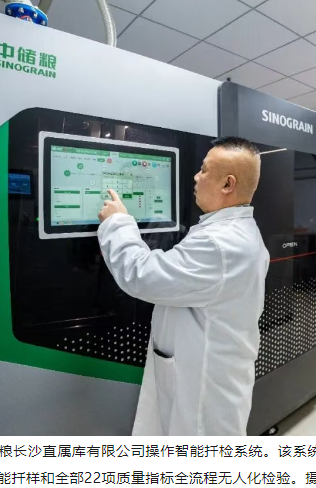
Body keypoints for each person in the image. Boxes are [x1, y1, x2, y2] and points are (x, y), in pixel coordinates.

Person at [97, 136, 269, 435]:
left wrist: (117, 223)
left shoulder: (219, 244)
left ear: (227, 184)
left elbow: (141, 275)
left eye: (204, 170)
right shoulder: (238, 232)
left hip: (205, 389)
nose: (196, 176)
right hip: (215, 369)